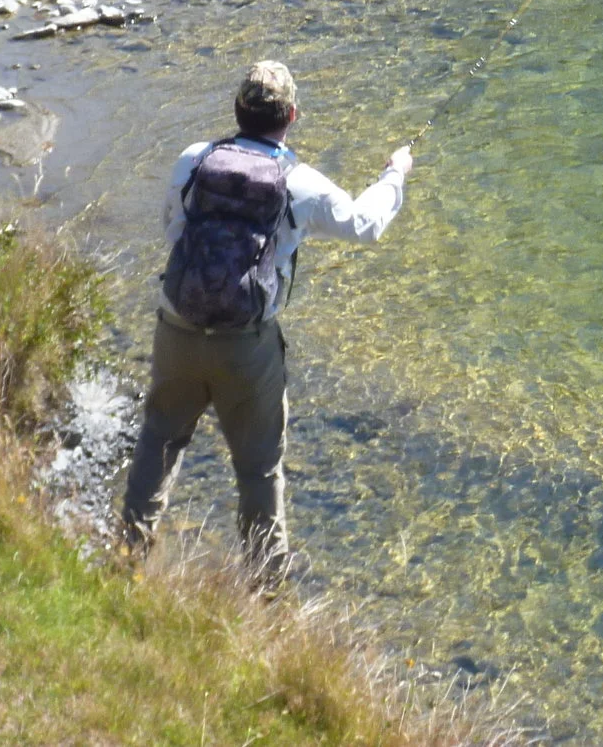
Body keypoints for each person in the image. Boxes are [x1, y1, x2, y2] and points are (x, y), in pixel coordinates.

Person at [121, 60, 414, 582]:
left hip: (177, 328)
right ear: (292, 115)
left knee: (160, 439)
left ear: (237, 110)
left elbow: (171, 229)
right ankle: (266, 592)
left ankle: (128, 558)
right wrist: (395, 175)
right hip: (247, 348)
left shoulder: (194, 159)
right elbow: (366, 226)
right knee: (258, 470)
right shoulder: (299, 182)